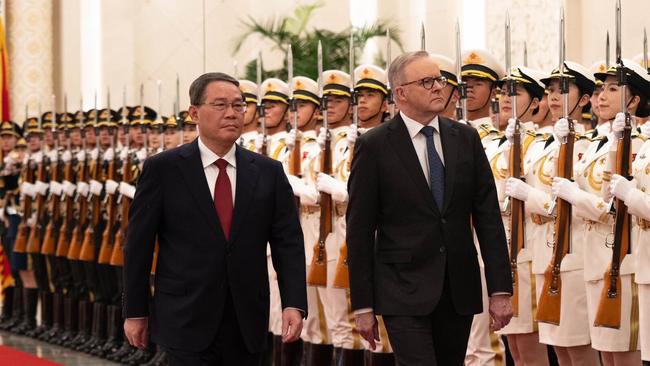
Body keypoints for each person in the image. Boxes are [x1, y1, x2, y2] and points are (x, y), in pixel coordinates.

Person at [123, 72, 307, 365]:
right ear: (194, 112)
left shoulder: (267, 171)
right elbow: (138, 246)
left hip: (246, 318)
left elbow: (288, 243)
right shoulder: (164, 169)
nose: (232, 113)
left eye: (238, 105)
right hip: (185, 315)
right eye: (220, 105)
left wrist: (294, 303)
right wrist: (135, 310)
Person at [346, 50, 513, 366]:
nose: (439, 87)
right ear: (401, 93)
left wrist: (500, 289)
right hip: (402, 289)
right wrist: (363, 305)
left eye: (438, 79)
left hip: (457, 288)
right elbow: (359, 230)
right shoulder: (375, 145)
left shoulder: (465, 138)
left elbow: (488, 216)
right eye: (427, 81)